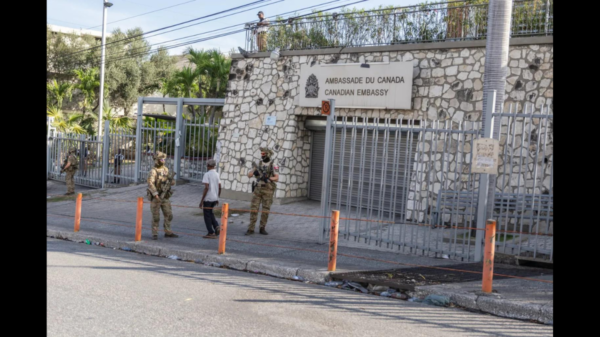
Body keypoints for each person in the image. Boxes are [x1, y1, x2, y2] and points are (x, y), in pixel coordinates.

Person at [246, 147, 279, 235]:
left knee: (265, 210)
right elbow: (249, 175)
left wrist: (268, 178)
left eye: (263, 154)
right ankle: (251, 228)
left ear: (268, 154)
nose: (262, 155)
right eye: (261, 154)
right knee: (254, 209)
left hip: (268, 189)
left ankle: (262, 227)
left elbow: (276, 178)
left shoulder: (273, 164)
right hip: (257, 189)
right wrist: (253, 172)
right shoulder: (258, 163)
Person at [147, 151, 179, 240]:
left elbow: (170, 180)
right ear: (157, 160)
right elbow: (150, 183)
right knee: (156, 217)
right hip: (156, 197)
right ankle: (155, 233)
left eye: (164, 159)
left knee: (169, 215)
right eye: (161, 159)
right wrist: (156, 195)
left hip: (165, 196)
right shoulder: (153, 171)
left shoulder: (165, 169)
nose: (163, 161)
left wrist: (172, 182)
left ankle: (168, 232)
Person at [199, 159, 222, 239]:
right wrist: (217, 197)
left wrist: (202, 200)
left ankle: (211, 232)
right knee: (210, 213)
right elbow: (219, 187)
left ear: (208, 166)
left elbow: (206, 187)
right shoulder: (217, 174)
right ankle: (216, 226)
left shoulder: (207, 174)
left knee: (207, 216)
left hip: (208, 198)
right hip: (214, 198)